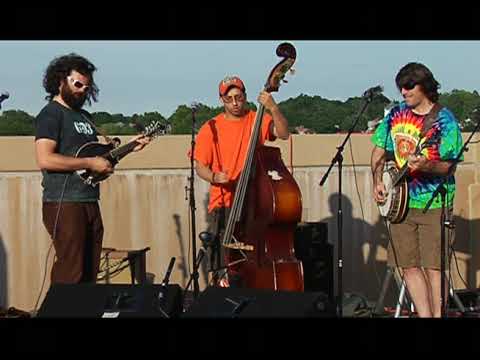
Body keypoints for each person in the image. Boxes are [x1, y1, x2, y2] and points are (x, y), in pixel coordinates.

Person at [34, 53, 150, 284]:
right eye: (77, 84)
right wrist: (90, 163)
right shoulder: (51, 114)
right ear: (60, 81)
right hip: (63, 202)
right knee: (71, 270)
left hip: (89, 199)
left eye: (87, 87)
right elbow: (45, 159)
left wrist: (128, 149)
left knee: (89, 271)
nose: (82, 90)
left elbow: (96, 158)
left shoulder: (85, 117)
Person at [370, 62, 463, 317]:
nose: (403, 91)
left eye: (409, 86)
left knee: (434, 267)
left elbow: (449, 167)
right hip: (401, 204)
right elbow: (378, 153)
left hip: (434, 203)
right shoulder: (395, 115)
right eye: (401, 86)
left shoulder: (444, 120)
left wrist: (426, 164)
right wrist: (377, 181)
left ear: (425, 86)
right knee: (407, 266)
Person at [193, 75, 290, 287]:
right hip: (224, 203)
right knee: (221, 265)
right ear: (221, 100)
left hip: (254, 203)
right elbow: (200, 166)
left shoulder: (257, 119)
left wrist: (273, 108)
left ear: (245, 96)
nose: (235, 103)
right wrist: (214, 177)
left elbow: (283, 133)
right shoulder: (211, 128)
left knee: (254, 257)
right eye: (229, 99)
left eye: (239, 97)